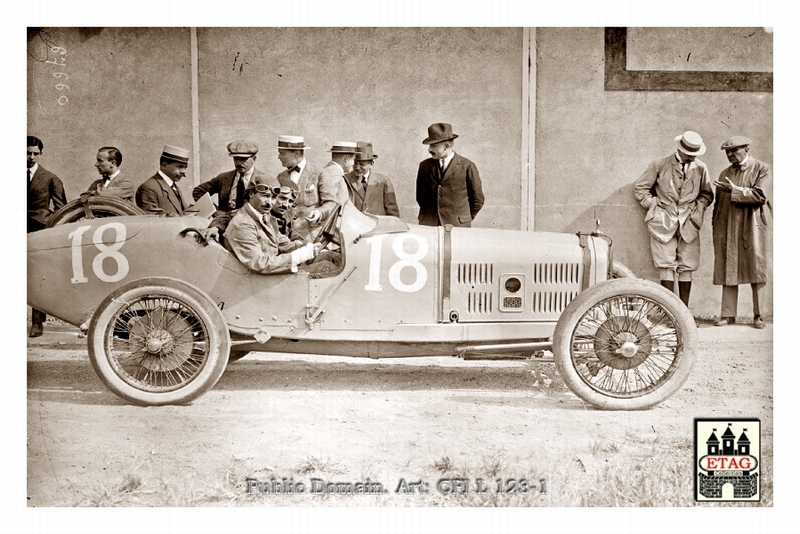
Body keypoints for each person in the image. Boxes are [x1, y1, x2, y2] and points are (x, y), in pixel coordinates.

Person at [633, 131, 714, 307]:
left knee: (688, 265)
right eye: (690, 154)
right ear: (680, 149)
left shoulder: (700, 168)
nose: (693, 157)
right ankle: (669, 312)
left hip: (689, 223)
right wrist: (653, 205)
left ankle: (684, 313)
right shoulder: (660, 164)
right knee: (665, 265)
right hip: (663, 222)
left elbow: (707, 194)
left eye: (695, 154)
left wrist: (697, 210)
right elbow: (640, 188)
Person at [711, 136, 771, 329]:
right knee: (728, 265)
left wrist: (734, 190)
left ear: (746, 149)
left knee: (757, 265)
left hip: (752, 225)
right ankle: (728, 314)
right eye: (727, 152)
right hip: (727, 225)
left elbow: (760, 196)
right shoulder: (724, 173)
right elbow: (718, 203)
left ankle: (759, 315)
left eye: (733, 151)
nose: (729, 155)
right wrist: (716, 224)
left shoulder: (762, 169)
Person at [224, 181, 336, 275]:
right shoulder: (242, 224)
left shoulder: (265, 218)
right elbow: (259, 263)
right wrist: (302, 254)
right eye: (265, 196)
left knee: (329, 256)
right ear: (251, 194)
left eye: (273, 197)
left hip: (270, 270)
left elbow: (286, 244)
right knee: (327, 267)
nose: (269, 202)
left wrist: (310, 248)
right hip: (260, 278)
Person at [27, 135, 67, 337]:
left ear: (41, 154)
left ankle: (37, 322)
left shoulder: (51, 178)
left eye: (35, 153)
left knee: (36, 275)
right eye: (27, 153)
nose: (31, 157)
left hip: (38, 231)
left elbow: (62, 210)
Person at [415, 123, 484, 227]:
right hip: (429, 225)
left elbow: (478, 200)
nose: (429, 149)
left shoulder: (467, 166)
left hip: (457, 227)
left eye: (433, 145)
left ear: (446, 146)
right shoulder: (424, 166)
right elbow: (420, 197)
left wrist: (462, 219)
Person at [274, 135, 341, 240]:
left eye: (282, 153)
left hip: (312, 238)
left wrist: (319, 213)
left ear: (296, 153)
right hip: (287, 239)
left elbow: (331, 203)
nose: (279, 157)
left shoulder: (320, 173)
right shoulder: (280, 177)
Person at [192, 140, 271, 216]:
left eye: (243, 159)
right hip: (224, 224)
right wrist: (215, 211)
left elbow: (272, 206)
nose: (239, 163)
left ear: (254, 159)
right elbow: (198, 191)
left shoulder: (264, 180)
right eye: (236, 159)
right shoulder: (223, 178)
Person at [344, 141, 400, 216]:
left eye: (361, 164)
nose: (357, 168)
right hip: (354, 225)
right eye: (355, 163)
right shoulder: (345, 180)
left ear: (371, 164)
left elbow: (392, 211)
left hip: (377, 225)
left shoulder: (384, 181)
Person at [136, 145, 191, 215]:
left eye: (185, 167)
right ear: (164, 165)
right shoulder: (148, 188)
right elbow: (151, 218)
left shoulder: (174, 187)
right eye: (180, 167)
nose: (183, 171)